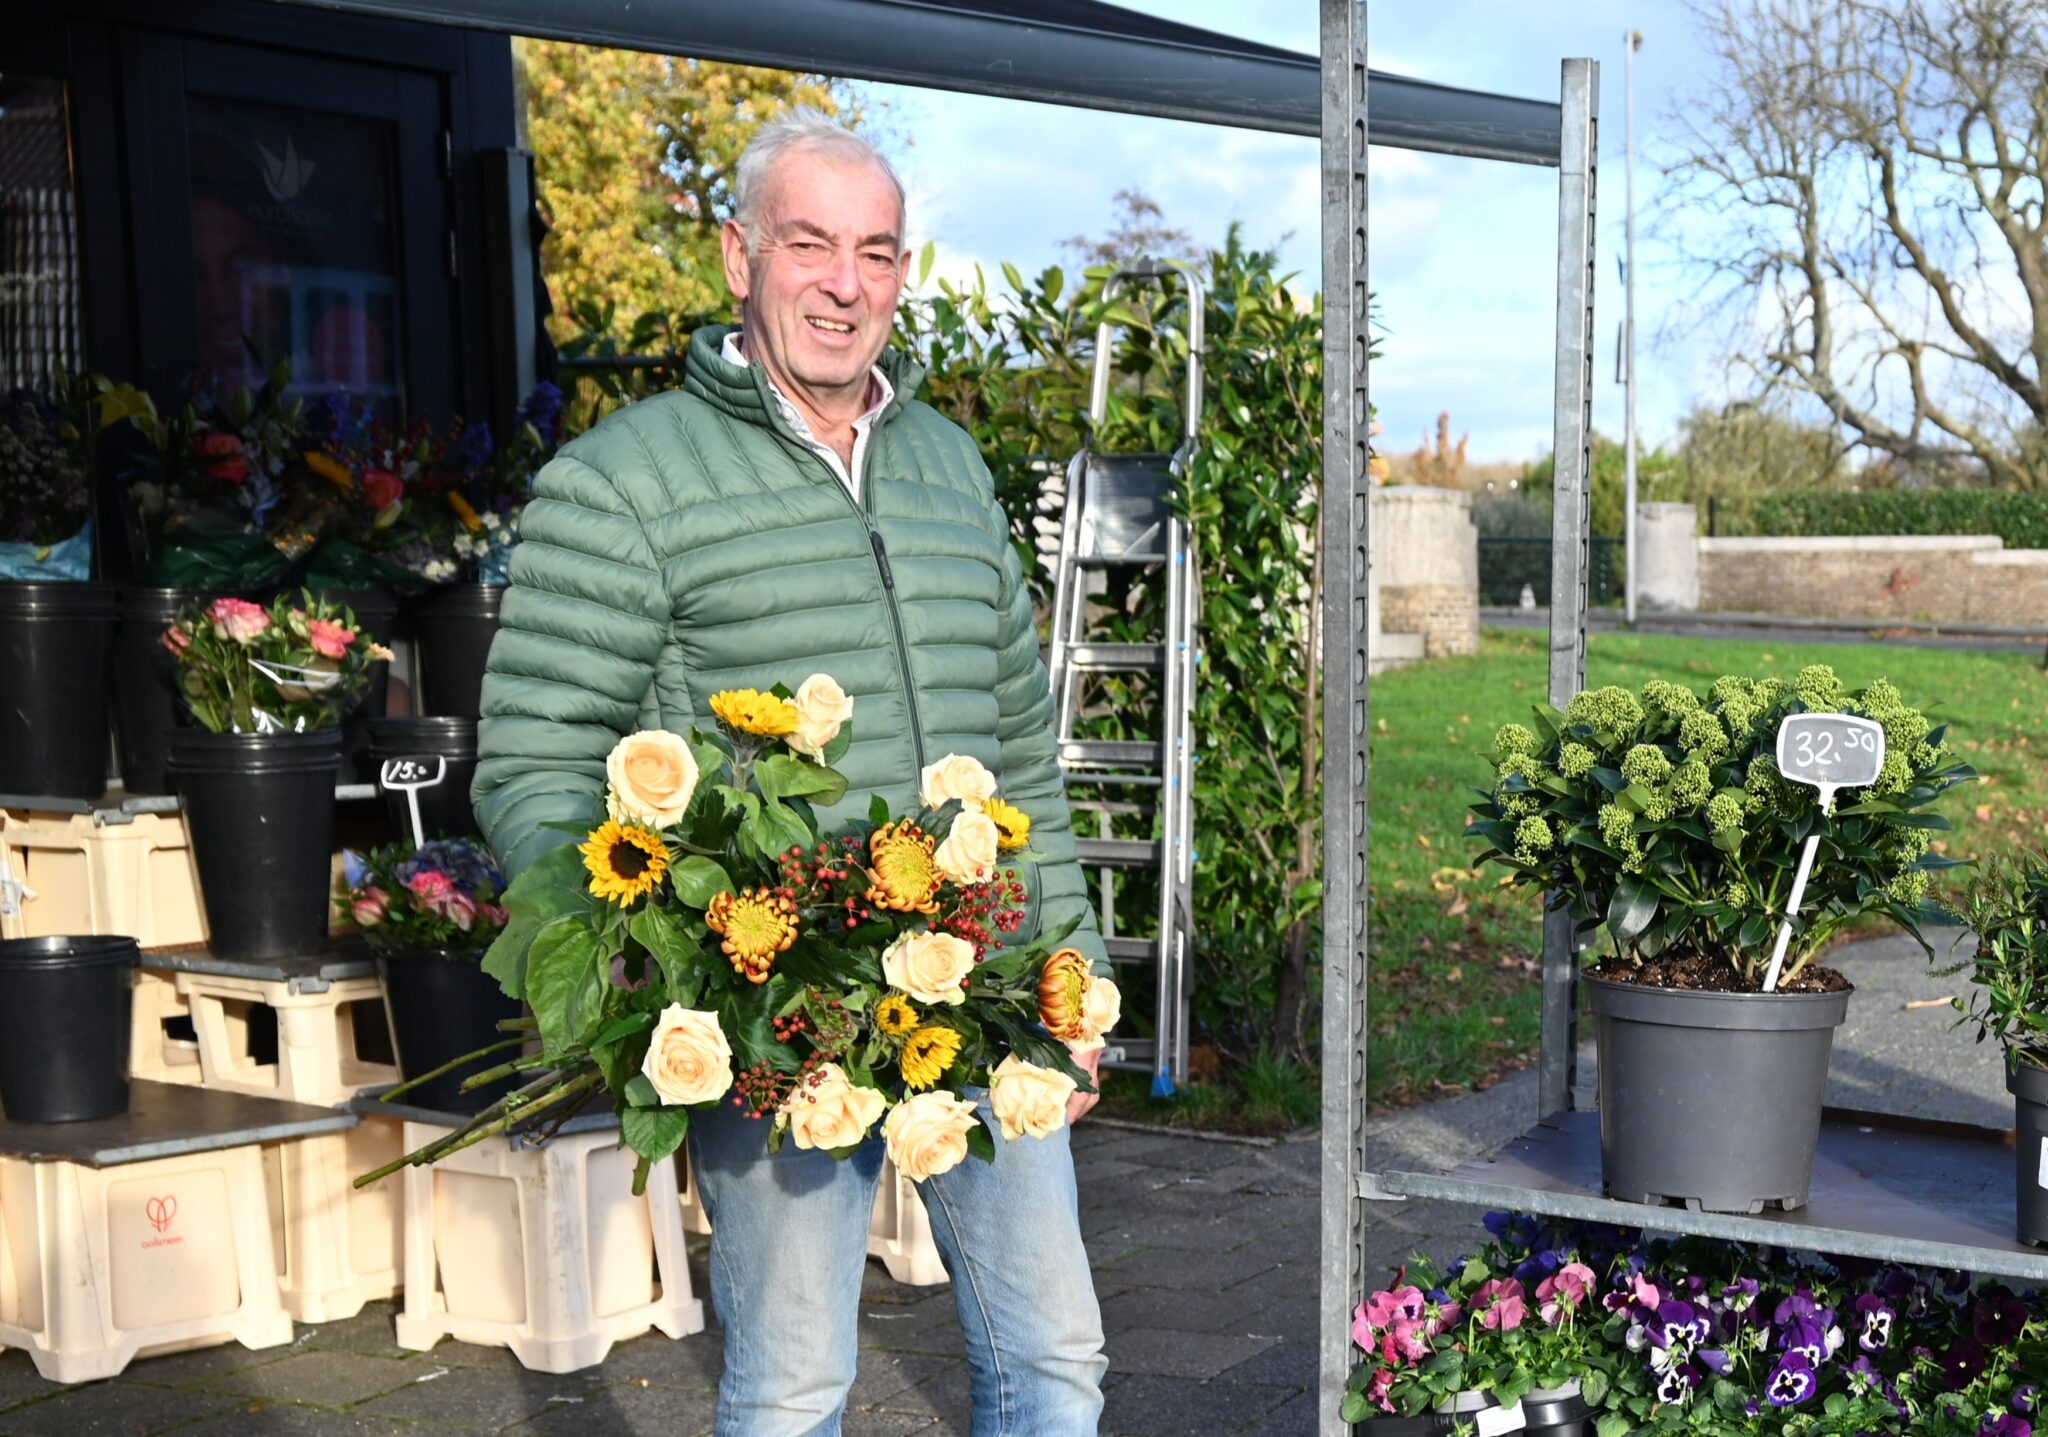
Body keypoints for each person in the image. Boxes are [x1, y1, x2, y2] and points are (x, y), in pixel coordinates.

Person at [472, 112, 1110, 1436]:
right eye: (808, 242)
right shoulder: (623, 482)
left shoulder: (946, 465)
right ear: (737, 256)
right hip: (777, 1009)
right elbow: (534, 753)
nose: (842, 282)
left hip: (975, 979)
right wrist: (625, 953)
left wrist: (1071, 979)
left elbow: (1016, 745)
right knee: (792, 1386)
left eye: (874, 252)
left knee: (1054, 1360)